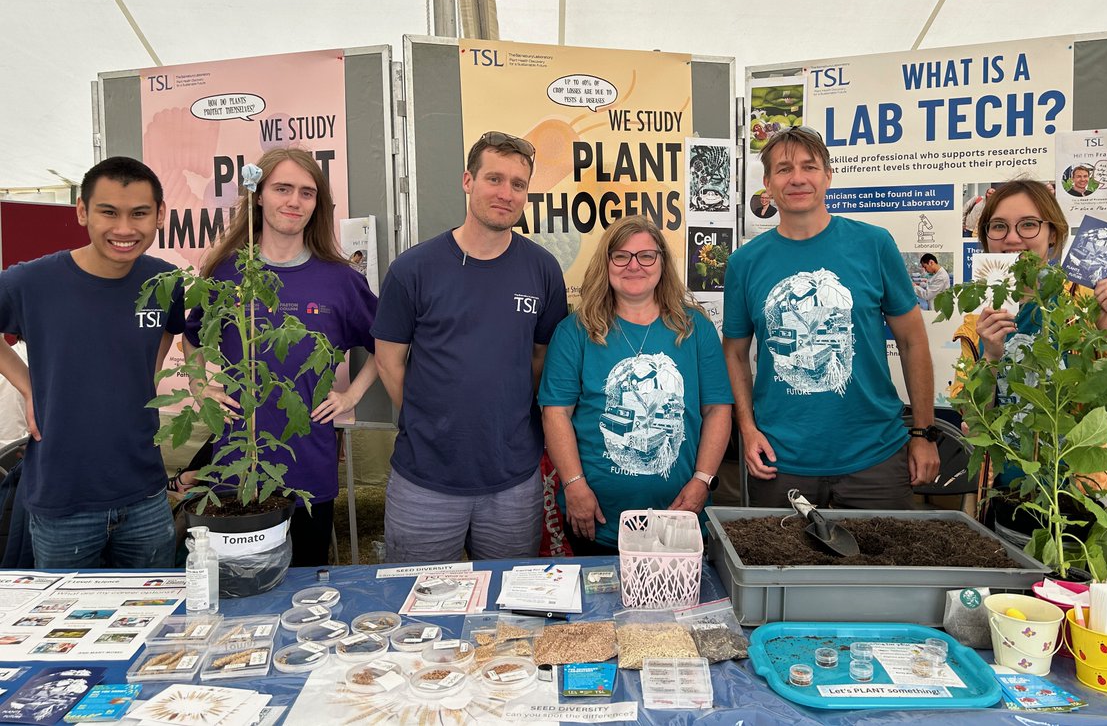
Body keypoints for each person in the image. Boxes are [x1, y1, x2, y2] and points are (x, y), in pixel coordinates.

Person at [373, 132, 567, 562]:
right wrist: (432, 420)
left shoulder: (543, 270)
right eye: (494, 179)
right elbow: (388, 361)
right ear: (467, 180)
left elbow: (541, 359)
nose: (506, 193)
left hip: (512, 480)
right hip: (425, 479)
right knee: (418, 605)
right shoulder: (413, 270)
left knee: (508, 609)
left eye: (518, 184)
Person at [181, 148, 379, 566]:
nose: (294, 201)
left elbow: (388, 343)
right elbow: (192, 336)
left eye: (307, 193)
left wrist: (352, 395)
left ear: (317, 205)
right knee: (240, 588)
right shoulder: (228, 273)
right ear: (258, 195)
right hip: (238, 466)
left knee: (305, 584)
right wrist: (201, 386)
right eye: (282, 189)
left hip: (310, 464)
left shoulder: (340, 280)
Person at [722, 128, 939, 510]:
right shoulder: (744, 263)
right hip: (781, 461)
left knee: (887, 568)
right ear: (768, 184)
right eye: (784, 169)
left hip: (876, 455)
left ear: (828, 176)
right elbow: (735, 353)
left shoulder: (874, 244)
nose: (798, 178)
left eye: (810, 166)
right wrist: (747, 428)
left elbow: (912, 341)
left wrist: (922, 432)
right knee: (781, 569)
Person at [0, 157, 183, 568]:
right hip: (63, 500)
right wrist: (29, 385)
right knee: (66, 626)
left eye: (139, 213)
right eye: (108, 212)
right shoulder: (33, 282)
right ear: (82, 211)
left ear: (160, 216)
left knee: (154, 617)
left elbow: (174, 327)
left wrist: (147, 374)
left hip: (146, 495)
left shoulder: (164, 281)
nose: (124, 229)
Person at [539, 217, 733, 553]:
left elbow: (717, 409)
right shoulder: (575, 332)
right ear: (606, 263)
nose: (634, 266)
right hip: (596, 520)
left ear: (661, 262)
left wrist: (703, 480)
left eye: (646, 256)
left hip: (679, 518)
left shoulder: (695, 329)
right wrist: (574, 485)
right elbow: (555, 412)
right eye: (621, 256)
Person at [953, 180, 1107, 492]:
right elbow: (974, 421)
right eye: (998, 226)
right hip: (1010, 491)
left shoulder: (1091, 300)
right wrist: (991, 357)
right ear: (985, 239)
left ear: (1054, 234)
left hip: (1091, 492)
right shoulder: (979, 319)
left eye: (1029, 225)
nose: (1012, 238)